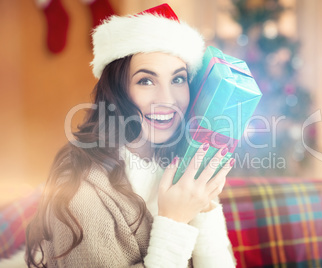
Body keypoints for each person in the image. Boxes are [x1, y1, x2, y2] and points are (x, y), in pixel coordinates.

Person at [25, 3, 236, 268]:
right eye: (146, 81)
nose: (167, 100)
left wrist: (203, 209)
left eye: (178, 79)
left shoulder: (183, 163)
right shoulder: (79, 191)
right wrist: (175, 221)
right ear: (117, 91)